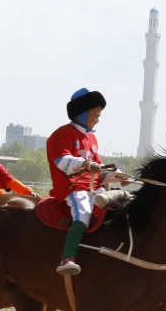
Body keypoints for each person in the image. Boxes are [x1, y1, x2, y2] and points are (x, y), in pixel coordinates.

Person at [47, 88, 128, 275]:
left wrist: (119, 176)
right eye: (95, 115)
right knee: (83, 214)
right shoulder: (61, 134)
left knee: (118, 208)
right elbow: (61, 161)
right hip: (72, 188)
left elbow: (100, 169)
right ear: (82, 114)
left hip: (93, 188)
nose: (98, 119)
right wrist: (85, 164)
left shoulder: (91, 138)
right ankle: (67, 258)